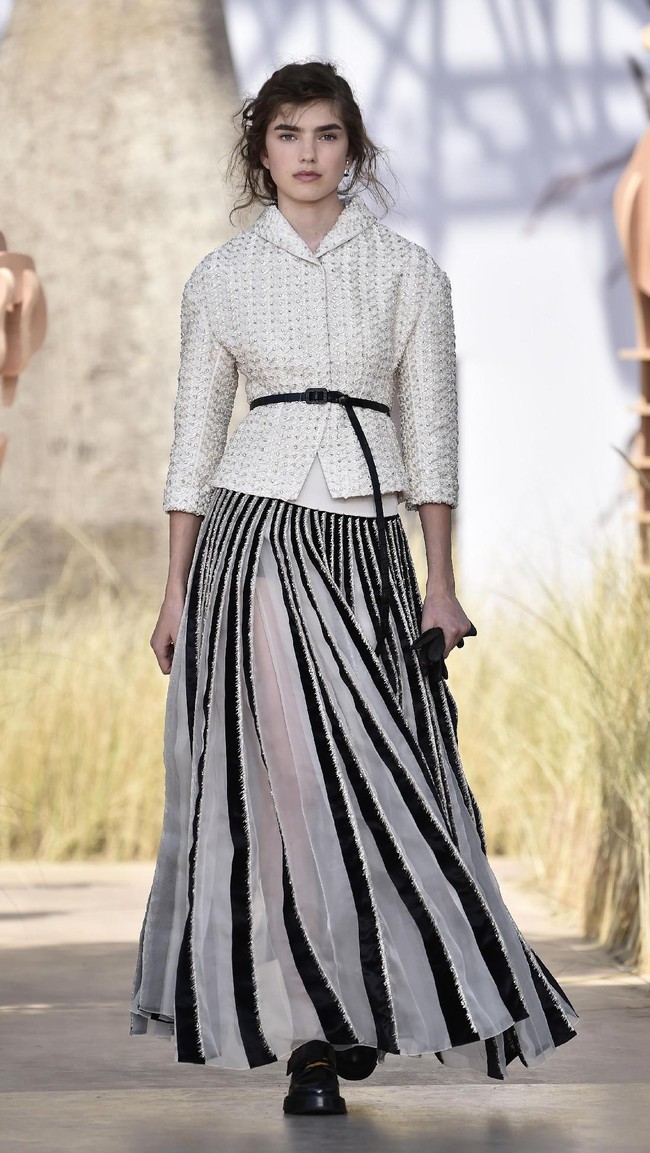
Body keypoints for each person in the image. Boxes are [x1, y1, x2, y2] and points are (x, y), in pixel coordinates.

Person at [131, 60, 577, 1117]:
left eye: (326, 135)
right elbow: (193, 441)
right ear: (261, 152)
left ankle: (369, 992)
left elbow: (433, 434)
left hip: (371, 546)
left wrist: (441, 581)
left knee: (388, 782)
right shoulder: (223, 275)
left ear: (353, 150)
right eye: (287, 135)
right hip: (258, 537)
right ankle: (318, 1033)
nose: (306, 154)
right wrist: (172, 589)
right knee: (290, 787)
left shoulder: (408, 273)